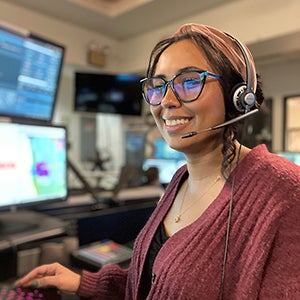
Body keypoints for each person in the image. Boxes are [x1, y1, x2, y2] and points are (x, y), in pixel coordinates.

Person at [15, 23, 300, 299]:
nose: (166, 100)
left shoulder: (285, 191)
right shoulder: (181, 178)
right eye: (157, 85)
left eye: (189, 81)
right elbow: (155, 283)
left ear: (238, 96)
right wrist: (84, 283)